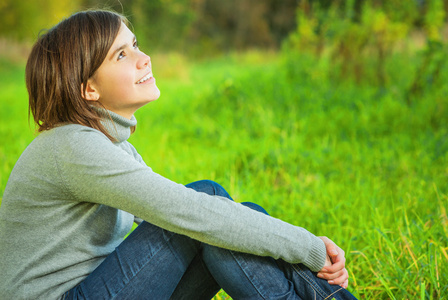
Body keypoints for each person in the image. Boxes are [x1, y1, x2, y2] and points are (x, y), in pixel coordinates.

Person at [0, 10, 357, 300]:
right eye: (122, 55)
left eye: (135, 44)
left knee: (220, 228)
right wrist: (308, 246)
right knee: (206, 202)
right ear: (88, 88)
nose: (144, 59)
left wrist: (302, 251)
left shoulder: (110, 147)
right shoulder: (73, 147)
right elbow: (191, 212)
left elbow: (203, 220)